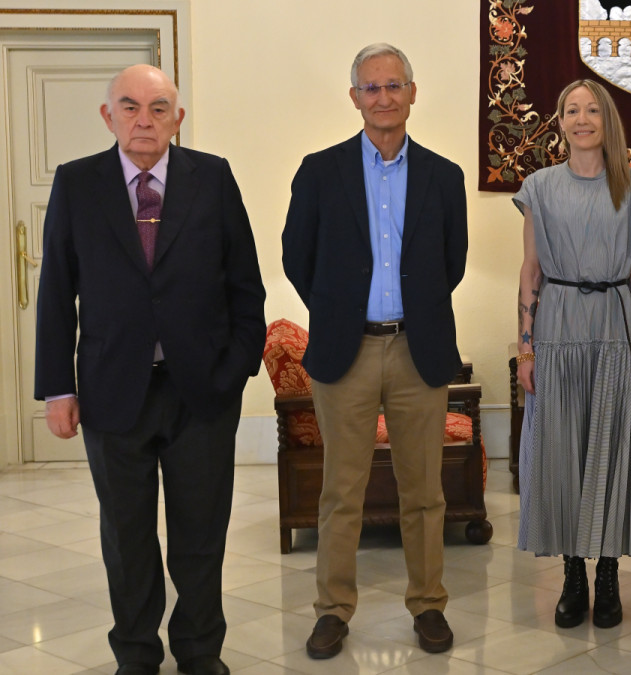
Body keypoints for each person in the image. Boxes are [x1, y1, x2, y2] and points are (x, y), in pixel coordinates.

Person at [34, 64, 266, 675]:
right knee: (127, 537)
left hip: (203, 393)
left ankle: (198, 649)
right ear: (108, 116)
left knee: (200, 535)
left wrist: (238, 365)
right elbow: (57, 290)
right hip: (113, 393)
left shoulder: (211, 178)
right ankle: (135, 652)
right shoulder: (77, 183)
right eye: (131, 106)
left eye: (159, 107)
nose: (145, 119)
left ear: (177, 118)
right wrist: (58, 388)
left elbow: (246, 284)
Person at [282, 43, 467, 657]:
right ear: (354, 97)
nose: (383, 97)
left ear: (413, 93)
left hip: (420, 351)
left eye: (394, 85)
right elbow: (296, 257)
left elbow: (452, 263)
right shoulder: (319, 170)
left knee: (424, 491)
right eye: (371, 87)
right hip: (346, 351)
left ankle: (429, 604)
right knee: (342, 491)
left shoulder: (445, 175)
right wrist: (337, 311)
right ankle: (333, 610)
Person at [514, 79, 631, 629]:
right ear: (559, 122)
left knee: (609, 448)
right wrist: (526, 347)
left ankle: (608, 574)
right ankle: (571, 574)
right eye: (571, 110)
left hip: (613, 328)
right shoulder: (537, 186)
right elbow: (531, 269)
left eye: (592, 110)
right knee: (561, 450)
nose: (582, 119)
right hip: (555, 325)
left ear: (607, 120)